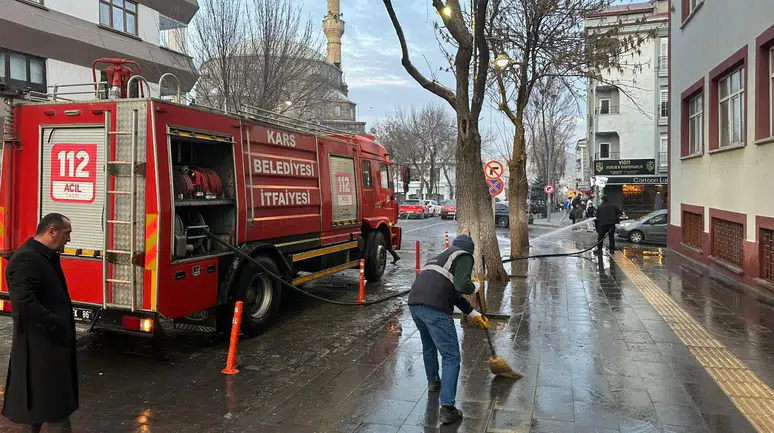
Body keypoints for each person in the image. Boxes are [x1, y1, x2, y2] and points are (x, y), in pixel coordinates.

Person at [3, 213, 78, 433]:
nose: (69, 240)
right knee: (52, 413)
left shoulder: (46, 256)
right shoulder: (26, 259)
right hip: (40, 351)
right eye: (66, 234)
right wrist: (55, 324)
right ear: (51, 231)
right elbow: (24, 304)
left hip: (50, 350)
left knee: (43, 413)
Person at [407, 235, 490, 424]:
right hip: (435, 308)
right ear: (469, 250)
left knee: (429, 346)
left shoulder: (441, 257)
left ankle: (433, 382)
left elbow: (455, 295)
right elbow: (463, 286)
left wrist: (474, 314)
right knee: (451, 356)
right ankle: (447, 408)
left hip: (415, 305)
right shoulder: (464, 256)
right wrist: (475, 286)